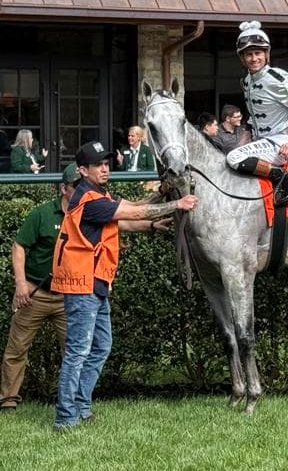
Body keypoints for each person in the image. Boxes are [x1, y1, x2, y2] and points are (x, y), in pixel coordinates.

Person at [52, 141, 196, 431]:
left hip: (95, 283)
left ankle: (81, 405)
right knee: (78, 352)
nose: (105, 168)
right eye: (97, 165)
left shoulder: (97, 194)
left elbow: (130, 211)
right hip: (83, 285)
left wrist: (160, 194)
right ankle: (66, 417)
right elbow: (134, 214)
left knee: (101, 346)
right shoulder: (90, 199)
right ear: (83, 170)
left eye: (106, 163)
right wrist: (177, 203)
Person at [0, 163, 77, 411]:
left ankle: (74, 401)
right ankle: (8, 400)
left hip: (70, 296)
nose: (84, 190)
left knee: (75, 352)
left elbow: (120, 222)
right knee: (17, 348)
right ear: (64, 188)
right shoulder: (42, 214)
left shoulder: (88, 213)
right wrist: (20, 283)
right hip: (35, 294)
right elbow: (19, 246)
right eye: (78, 186)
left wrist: (150, 223)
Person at [225, 21, 288, 205]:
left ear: (266, 54)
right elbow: (253, 116)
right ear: (242, 58)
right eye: (249, 54)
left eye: (258, 53)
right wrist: (242, 140)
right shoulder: (246, 81)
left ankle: (286, 178)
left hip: (283, 142)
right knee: (231, 154)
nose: (254, 58)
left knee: (234, 157)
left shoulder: (278, 78)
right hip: (264, 143)